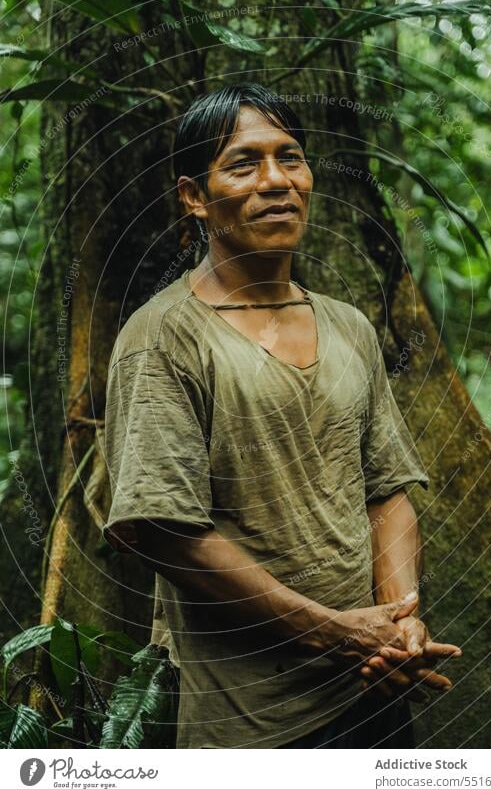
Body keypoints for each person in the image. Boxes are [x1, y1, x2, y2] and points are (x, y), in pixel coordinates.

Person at [102, 83, 462, 749]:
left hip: (372, 691)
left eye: (289, 157)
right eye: (243, 163)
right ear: (193, 195)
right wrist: (336, 629)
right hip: (253, 723)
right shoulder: (164, 337)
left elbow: (385, 491)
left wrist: (400, 620)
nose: (276, 180)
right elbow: (158, 528)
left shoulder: (347, 325)